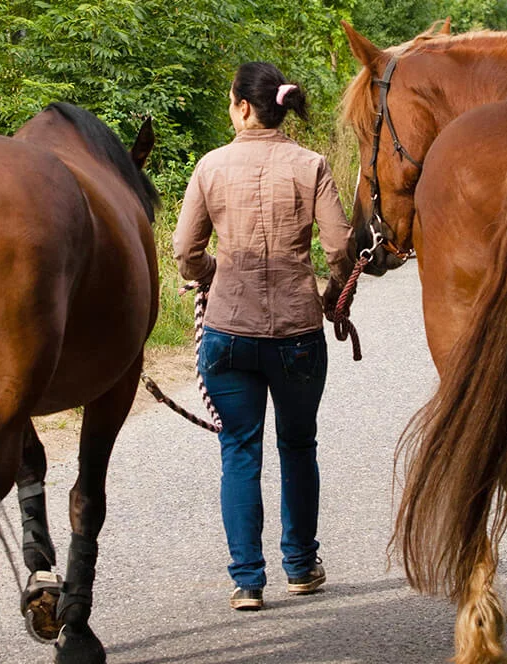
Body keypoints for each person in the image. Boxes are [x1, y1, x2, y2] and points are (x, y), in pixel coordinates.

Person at [173, 61, 355, 611]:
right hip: (299, 333)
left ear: (244, 107)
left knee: (239, 450)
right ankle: (300, 566)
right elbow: (340, 249)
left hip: (228, 332)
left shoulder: (210, 167)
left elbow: (184, 253)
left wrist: (212, 277)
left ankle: (248, 581)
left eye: (232, 101)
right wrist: (331, 297)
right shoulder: (312, 165)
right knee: (298, 446)